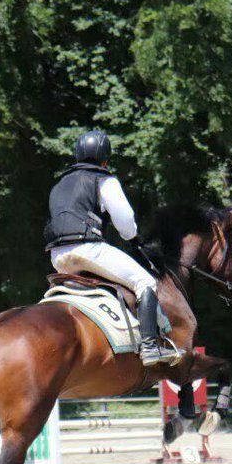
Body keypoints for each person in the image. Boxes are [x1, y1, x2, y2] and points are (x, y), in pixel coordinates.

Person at [43, 130, 181, 367]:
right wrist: (133, 238)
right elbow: (125, 222)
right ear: (105, 159)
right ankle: (150, 345)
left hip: (57, 257)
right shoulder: (104, 179)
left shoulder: (59, 185)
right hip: (88, 250)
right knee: (145, 282)